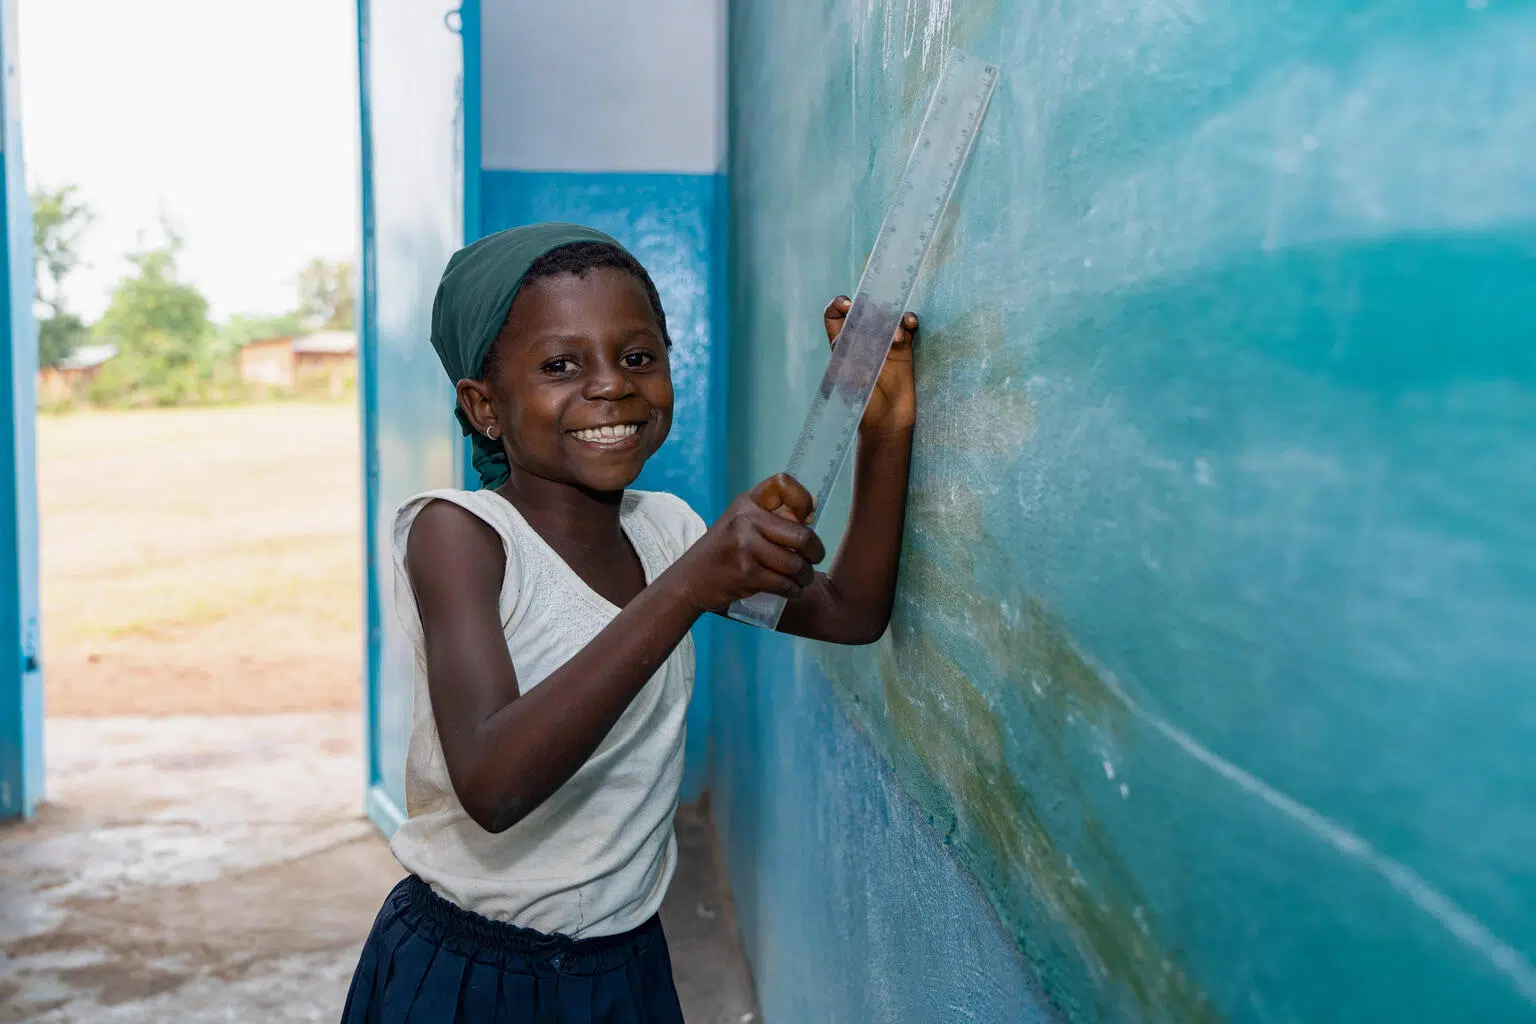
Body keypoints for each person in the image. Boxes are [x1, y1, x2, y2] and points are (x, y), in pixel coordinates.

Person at [341, 223, 917, 1022]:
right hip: (471, 970)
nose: (612, 386)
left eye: (639, 357)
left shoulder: (669, 531)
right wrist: (687, 588)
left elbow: (852, 613)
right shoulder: (461, 535)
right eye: (559, 365)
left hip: (623, 965)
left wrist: (883, 430)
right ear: (485, 408)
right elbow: (493, 784)